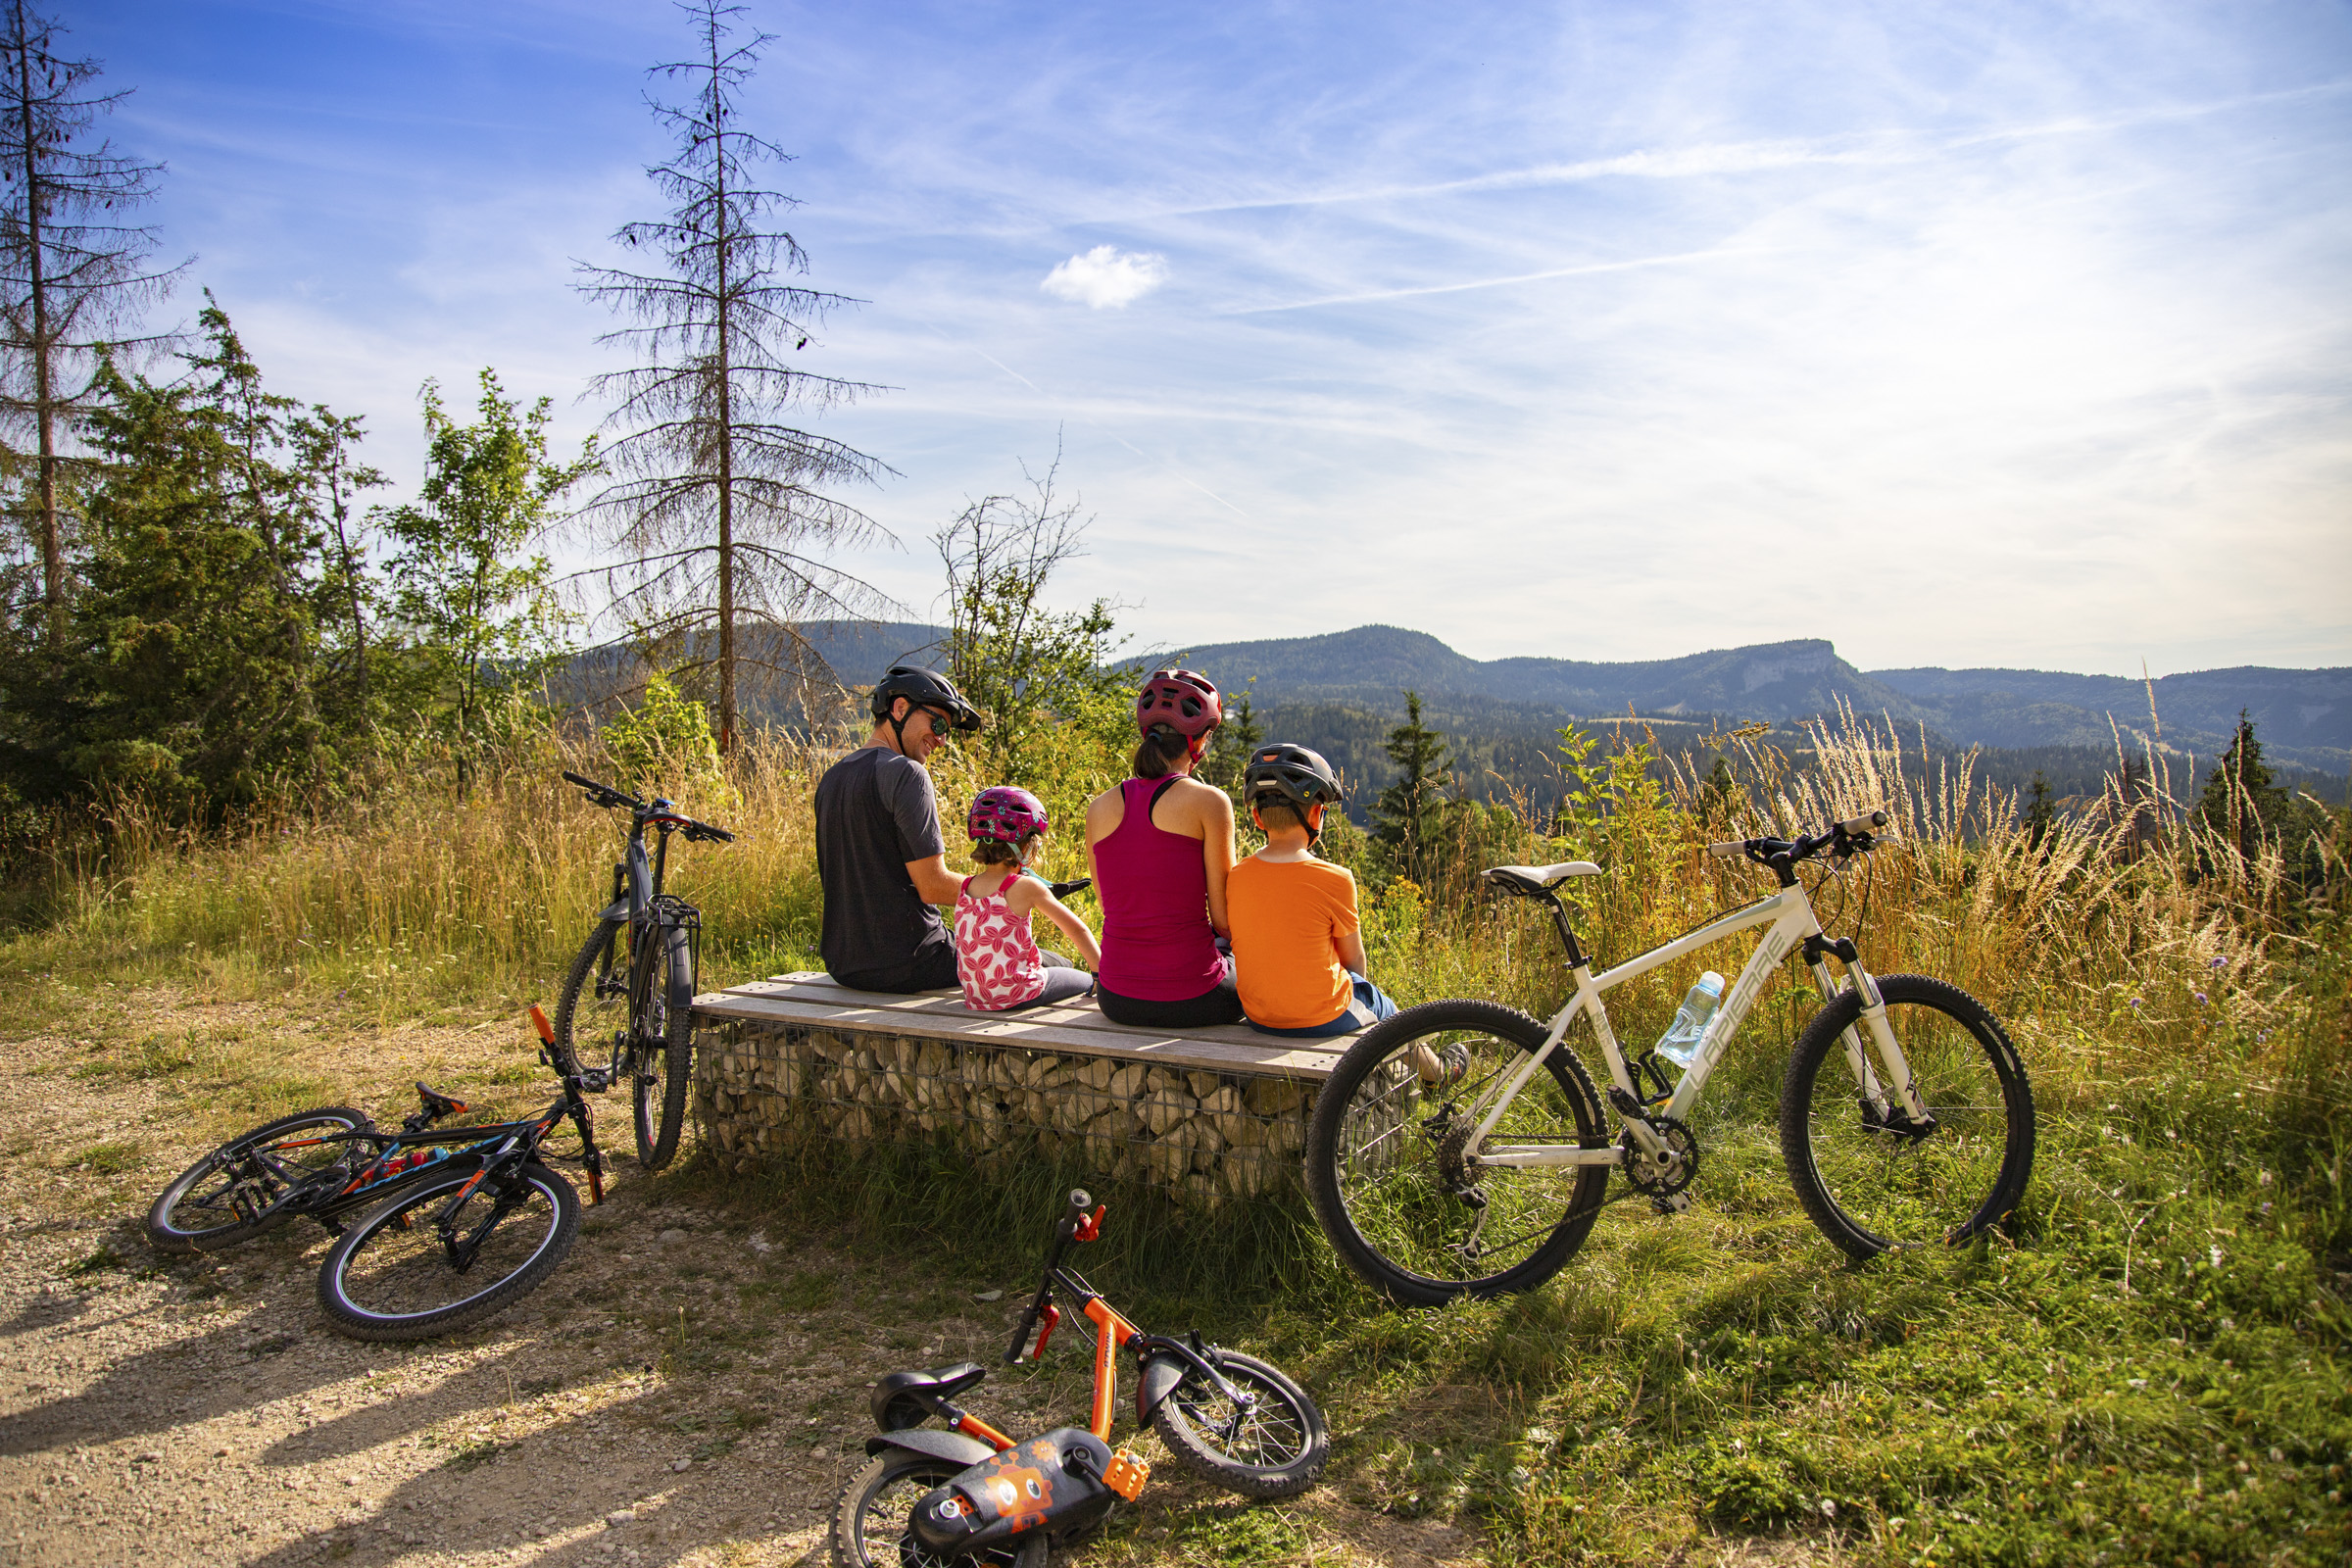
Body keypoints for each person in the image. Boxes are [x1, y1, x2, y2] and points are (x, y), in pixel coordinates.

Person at [1084, 668, 1245, 1028]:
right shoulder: (1210, 802)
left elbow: (1110, 905)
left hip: (1117, 998)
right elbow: (1224, 921)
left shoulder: (1098, 808)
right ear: (1198, 743)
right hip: (1195, 996)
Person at [813, 665, 984, 993]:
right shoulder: (907, 774)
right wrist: (1010, 889)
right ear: (900, 708)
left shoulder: (831, 777)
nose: (942, 740)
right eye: (938, 724)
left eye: (947, 731)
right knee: (1052, 964)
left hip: (843, 965)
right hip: (914, 961)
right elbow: (932, 886)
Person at [1226, 743, 1398, 1038]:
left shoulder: (1237, 876)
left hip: (1258, 1016)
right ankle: (1438, 1065)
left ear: (1257, 818)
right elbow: (1354, 962)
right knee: (1389, 1011)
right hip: (1322, 1017)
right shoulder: (1336, 879)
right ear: (1317, 815)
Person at [953, 786, 1101, 1011]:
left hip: (976, 996)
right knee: (1084, 978)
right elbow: (1077, 930)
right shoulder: (1026, 886)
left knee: (1060, 964)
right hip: (1017, 994)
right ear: (1025, 845)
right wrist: (1100, 974)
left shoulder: (965, 886)